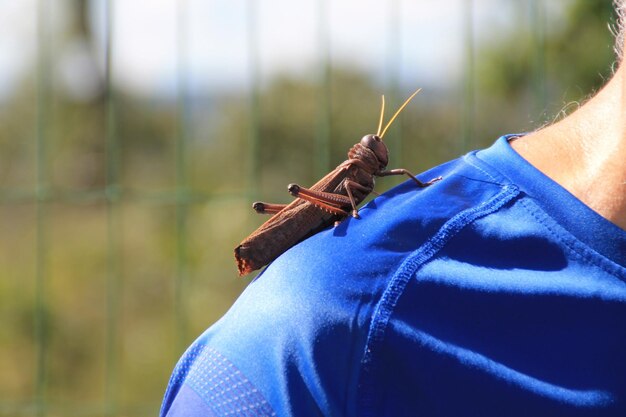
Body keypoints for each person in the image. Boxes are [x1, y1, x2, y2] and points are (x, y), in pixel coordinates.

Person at [159, 4, 626, 417]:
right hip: (317, 213)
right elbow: (349, 199)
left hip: (337, 212)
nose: (381, 155)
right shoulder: (311, 326)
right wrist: (353, 210)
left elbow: (397, 174)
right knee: (303, 193)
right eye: (374, 149)